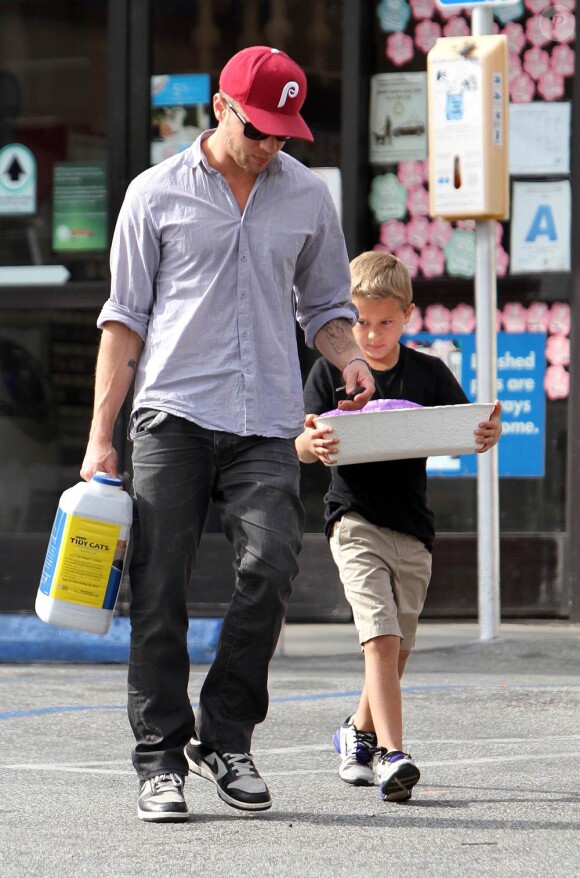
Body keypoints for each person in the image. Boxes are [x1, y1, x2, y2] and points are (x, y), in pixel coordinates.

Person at [80, 45, 375, 823]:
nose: (271, 145)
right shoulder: (154, 195)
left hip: (266, 419)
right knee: (160, 586)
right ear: (220, 107)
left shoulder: (306, 196)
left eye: (284, 132)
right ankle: (159, 758)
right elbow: (122, 323)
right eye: (259, 128)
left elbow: (326, 308)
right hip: (172, 414)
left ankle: (226, 737)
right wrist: (100, 437)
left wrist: (349, 358)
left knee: (273, 562)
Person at [295, 251, 501, 802]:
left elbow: (466, 428)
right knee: (381, 638)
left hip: (413, 529)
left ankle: (356, 733)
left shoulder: (428, 372)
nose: (372, 333)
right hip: (353, 521)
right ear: (345, 318)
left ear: (407, 315)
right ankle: (393, 754)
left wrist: (487, 432)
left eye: (385, 321)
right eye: (360, 321)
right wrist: (309, 446)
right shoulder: (329, 371)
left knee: (399, 646)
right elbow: (298, 440)